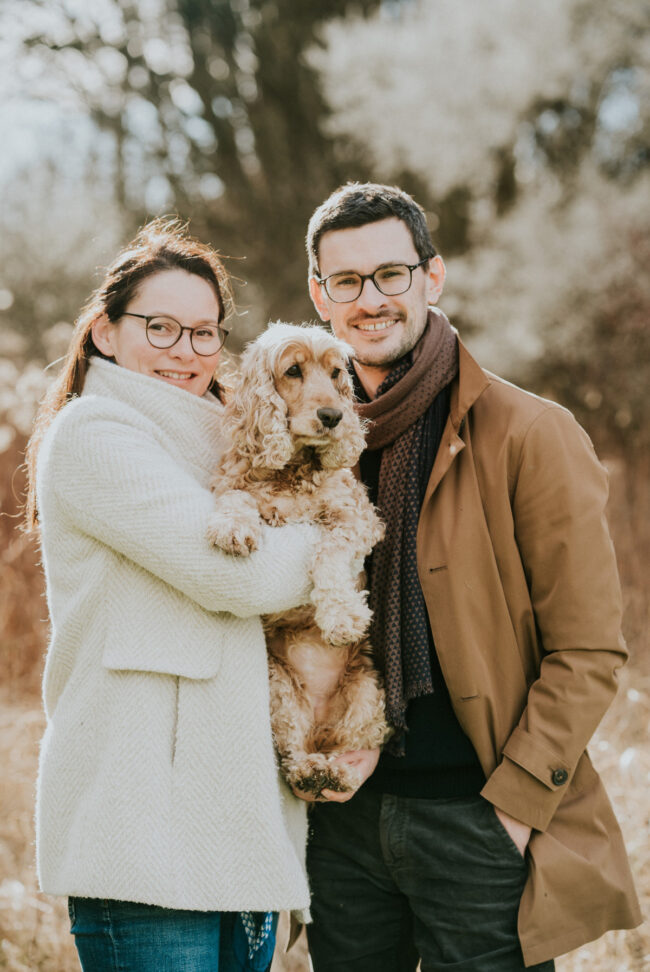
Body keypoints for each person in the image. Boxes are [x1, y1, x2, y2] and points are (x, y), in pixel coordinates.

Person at [301, 183, 642, 971]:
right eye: (346, 281)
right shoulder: (310, 442)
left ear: (433, 276)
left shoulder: (530, 432)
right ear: (320, 297)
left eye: (391, 274)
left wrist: (514, 811)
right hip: (339, 826)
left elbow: (589, 650)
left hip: (475, 822)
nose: (371, 299)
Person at [25, 219, 320, 972]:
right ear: (104, 332)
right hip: (145, 850)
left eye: (204, 334)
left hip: (235, 840)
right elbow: (237, 574)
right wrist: (340, 544)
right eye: (160, 327)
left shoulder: (225, 445)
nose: (184, 352)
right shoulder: (96, 435)